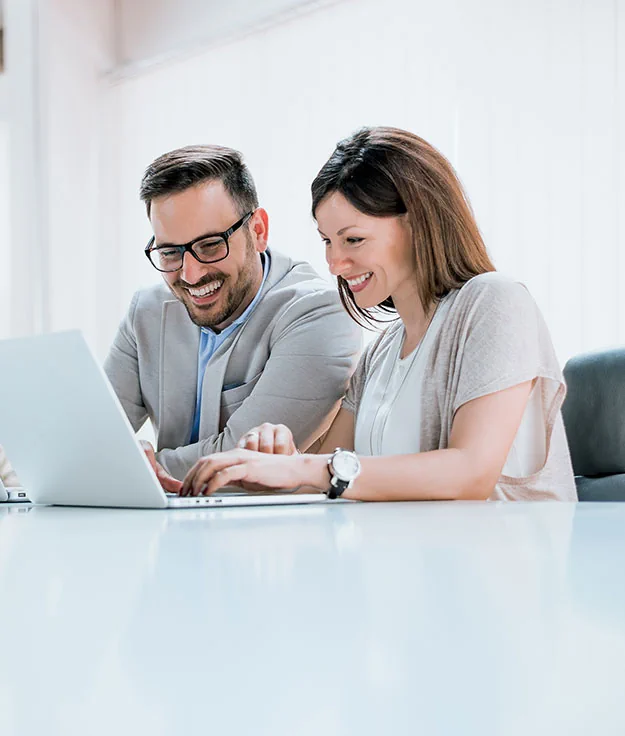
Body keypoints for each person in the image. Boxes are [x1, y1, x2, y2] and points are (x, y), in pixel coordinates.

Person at [179, 127, 577, 502]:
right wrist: (276, 463)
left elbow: (471, 472)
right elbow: (327, 477)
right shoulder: (382, 352)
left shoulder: (494, 301)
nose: (335, 263)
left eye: (353, 239)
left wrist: (306, 468)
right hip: (413, 564)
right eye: (327, 242)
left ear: (420, 223)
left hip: (506, 567)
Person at [104, 145, 361, 490]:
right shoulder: (146, 311)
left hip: (268, 536)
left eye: (210, 245)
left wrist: (120, 467)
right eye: (170, 252)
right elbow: (92, 435)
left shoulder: (322, 314)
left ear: (257, 231)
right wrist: (110, 459)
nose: (191, 274)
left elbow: (238, 467)